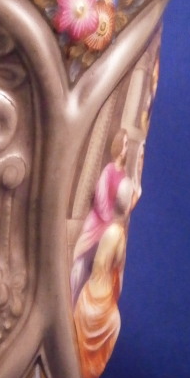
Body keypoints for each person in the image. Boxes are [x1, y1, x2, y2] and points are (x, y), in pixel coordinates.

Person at [73, 176, 133, 378]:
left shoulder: (109, 229)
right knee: (114, 322)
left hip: (91, 293)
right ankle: (87, 372)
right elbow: (114, 266)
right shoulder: (117, 233)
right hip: (98, 297)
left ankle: (84, 377)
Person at [70, 128, 129, 305]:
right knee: (81, 262)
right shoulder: (109, 170)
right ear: (119, 146)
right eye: (125, 144)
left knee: (96, 269)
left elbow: (122, 201)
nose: (126, 148)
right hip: (96, 223)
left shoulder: (123, 175)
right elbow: (101, 198)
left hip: (108, 228)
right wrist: (109, 218)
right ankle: (70, 299)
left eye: (127, 144)